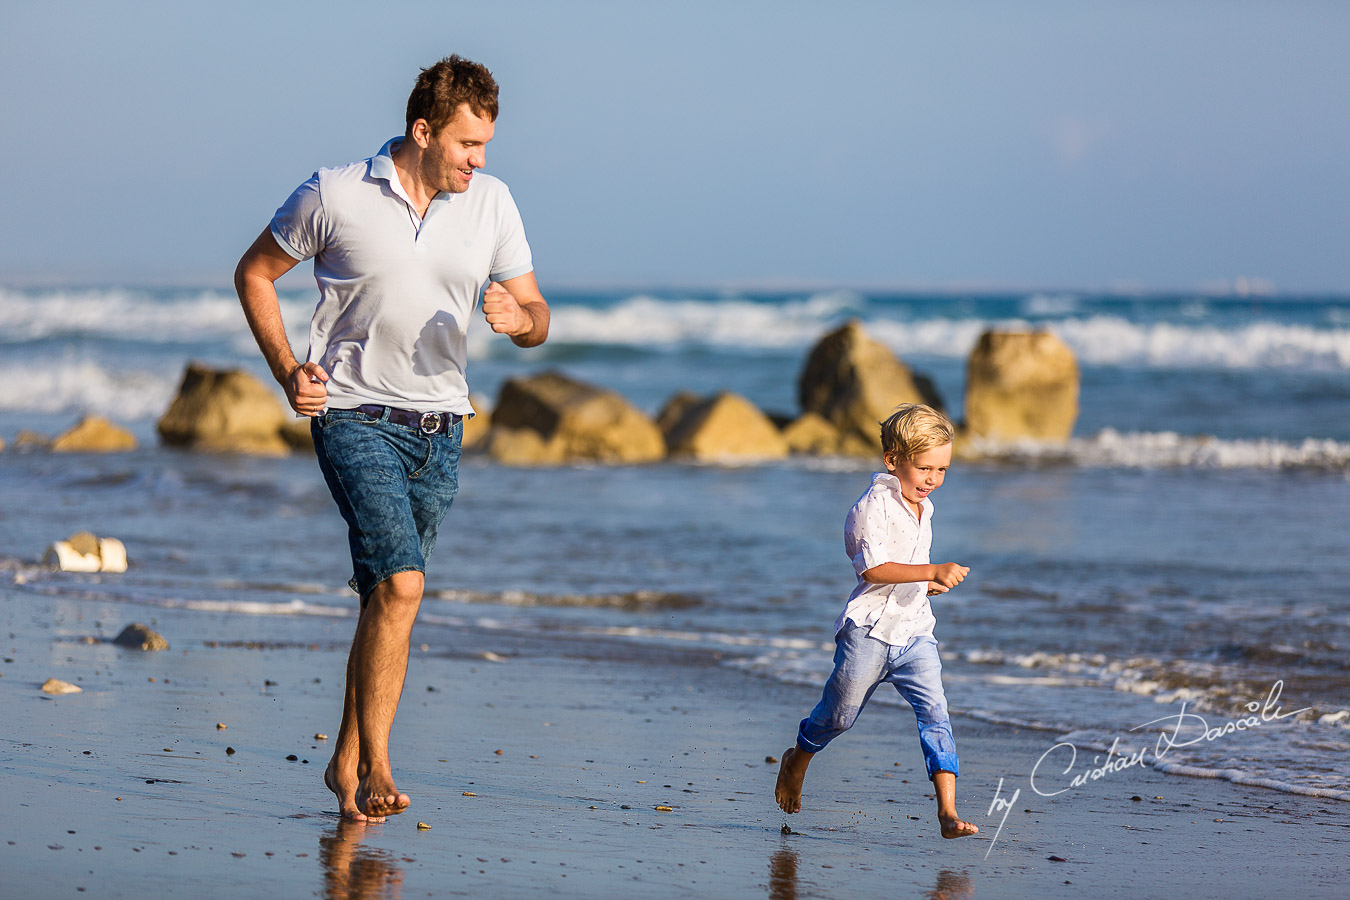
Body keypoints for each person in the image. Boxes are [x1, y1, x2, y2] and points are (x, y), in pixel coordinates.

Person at [234, 55, 549, 821]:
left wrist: (520, 321)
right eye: (468, 146)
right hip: (352, 415)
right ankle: (377, 763)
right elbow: (255, 272)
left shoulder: (493, 203)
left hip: (442, 430)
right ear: (423, 131)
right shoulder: (336, 192)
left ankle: (342, 761)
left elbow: (538, 314)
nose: (480, 162)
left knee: (387, 596)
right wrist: (285, 371)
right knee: (403, 585)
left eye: (486, 148)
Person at [774, 403, 979, 839]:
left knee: (935, 712)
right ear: (892, 461)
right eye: (924, 468)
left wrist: (927, 586)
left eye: (941, 470)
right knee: (840, 716)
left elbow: (908, 567)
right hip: (868, 631)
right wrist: (930, 572)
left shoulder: (926, 509)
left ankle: (947, 812)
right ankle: (799, 758)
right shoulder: (871, 507)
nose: (932, 480)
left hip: (915, 632)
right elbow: (872, 570)